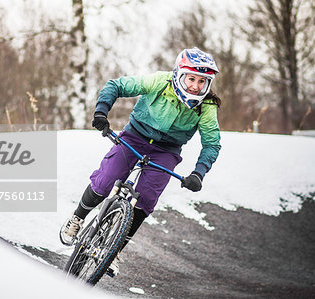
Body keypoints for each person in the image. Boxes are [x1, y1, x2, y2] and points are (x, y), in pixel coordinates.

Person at [59, 47, 222, 277]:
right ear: (179, 74)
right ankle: (77, 217)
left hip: (166, 151)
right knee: (106, 179)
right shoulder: (159, 81)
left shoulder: (207, 107)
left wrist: (198, 173)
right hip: (135, 137)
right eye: (191, 79)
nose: (196, 86)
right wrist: (101, 112)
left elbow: (212, 143)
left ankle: (115, 249)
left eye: (202, 81)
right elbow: (116, 85)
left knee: (146, 199)